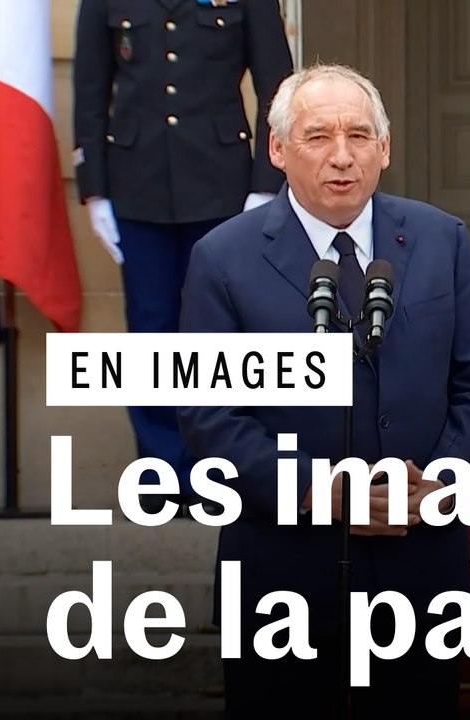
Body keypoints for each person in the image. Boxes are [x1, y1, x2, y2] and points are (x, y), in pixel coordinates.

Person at [176, 63, 470, 717]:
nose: (342, 156)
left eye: (358, 135)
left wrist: (439, 484)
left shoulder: (441, 239)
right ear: (277, 149)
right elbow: (209, 413)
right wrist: (314, 490)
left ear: (385, 147)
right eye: (318, 136)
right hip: (283, 574)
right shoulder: (223, 256)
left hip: (418, 569)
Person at [72, 0, 294, 512]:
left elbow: (277, 88)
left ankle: (219, 472)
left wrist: (265, 182)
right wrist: (95, 189)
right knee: (150, 331)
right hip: (136, 186)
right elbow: (90, 90)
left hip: (223, 186)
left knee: (221, 335)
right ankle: (160, 474)